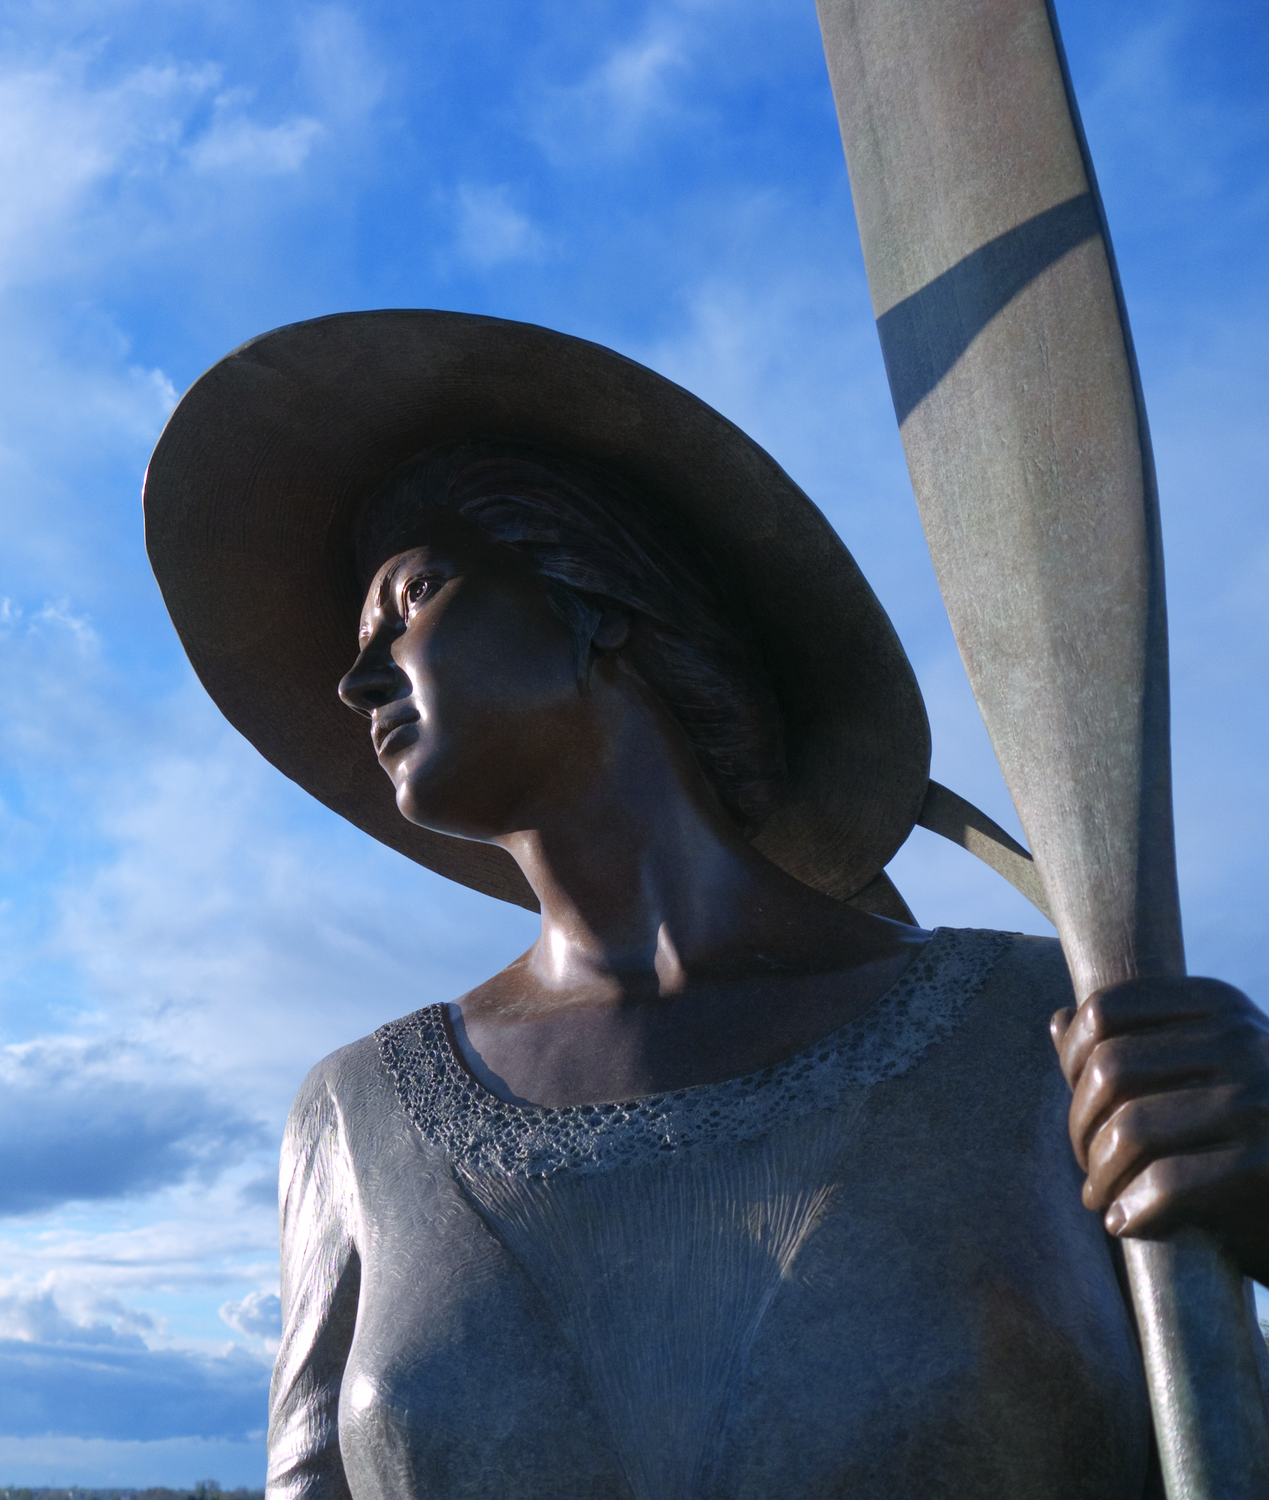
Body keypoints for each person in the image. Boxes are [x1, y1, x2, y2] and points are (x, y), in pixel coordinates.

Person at [144, 311, 1269, 1499]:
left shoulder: (1047, 1027)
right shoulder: (355, 1118)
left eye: (415, 596)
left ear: (598, 599)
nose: (355, 673)